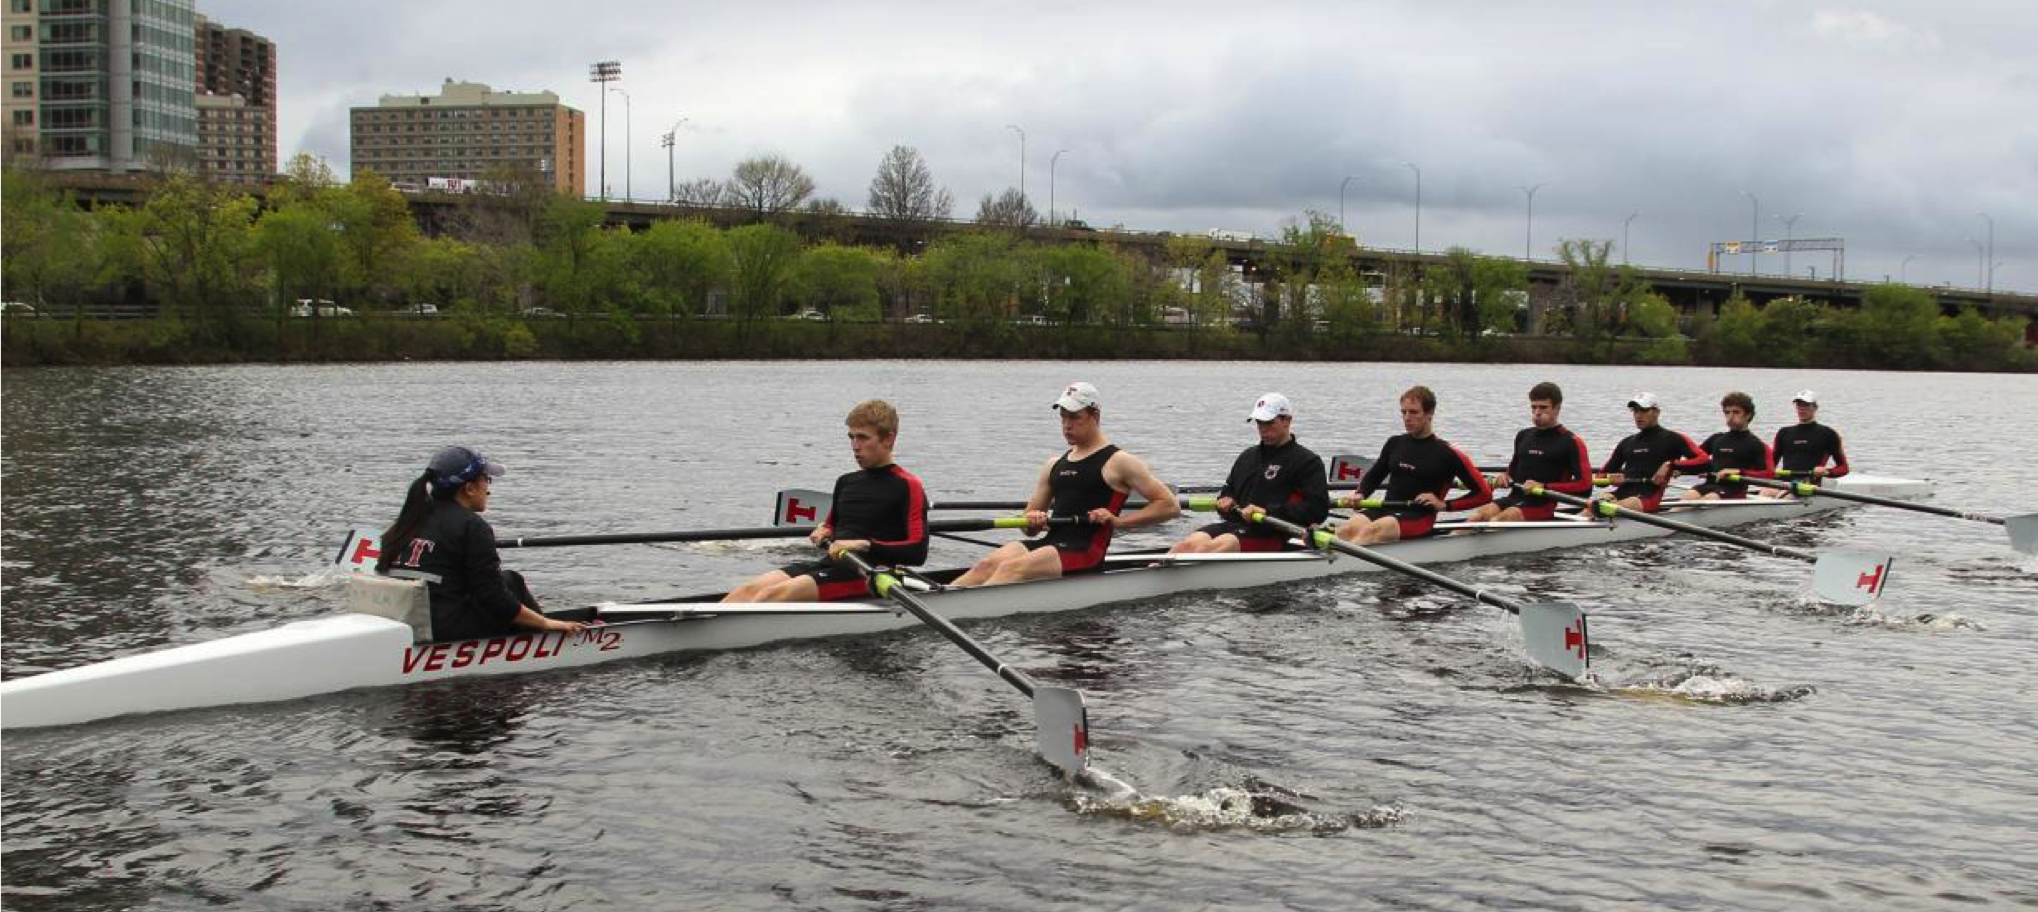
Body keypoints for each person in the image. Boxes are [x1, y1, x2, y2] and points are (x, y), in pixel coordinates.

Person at [951, 382, 1178, 586]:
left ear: (1095, 416)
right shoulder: (1053, 464)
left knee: (1010, 568)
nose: (1067, 425)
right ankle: (942, 604)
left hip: (1085, 551)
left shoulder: (1119, 462)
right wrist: (1032, 522)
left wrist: (1119, 522)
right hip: (1051, 544)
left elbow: (1169, 505)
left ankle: (962, 615)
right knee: (986, 566)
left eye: (1074, 417)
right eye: (1063, 417)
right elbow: (1027, 527)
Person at [724, 400, 928, 603]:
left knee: (770, 596)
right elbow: (830, 526)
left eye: (863, 438)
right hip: (830, 565)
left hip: (870, 575)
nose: (855, 446)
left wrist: (864, 545)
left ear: (888, 439)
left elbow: (917, 551)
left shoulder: (909, 485)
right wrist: (824, 530)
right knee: (746, 591)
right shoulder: (846, 482)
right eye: (851, 437)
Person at [378, 446, 586, 641]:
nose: (488, 489)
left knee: (497, 584)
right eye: (486, 479)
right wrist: (545, 622)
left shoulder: (409, 519)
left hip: (407, 619)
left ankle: (536, 625)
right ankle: (546, 639)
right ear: (469, 488)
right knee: (512, 581)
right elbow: (493, 598)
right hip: (446, 629)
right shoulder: (472, 526)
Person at [1169, 393, 1330, 554]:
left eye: (1269, 423)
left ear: (1286, 420)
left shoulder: (1307, 461)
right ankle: (1155, 570)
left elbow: (1317, 509)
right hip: (1238, 526)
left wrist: (1267, 512)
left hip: (1275, 532)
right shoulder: (1247, 456)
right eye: (1259, 423)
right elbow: (1228, 491)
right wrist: (1225, 500)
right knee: (1185, 545)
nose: (1263, 429)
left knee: (1211, 547)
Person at [1336, 385, 1492, 544]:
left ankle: (1340, 563)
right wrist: (1361, 493)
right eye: (1403, 412)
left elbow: (1484, 494)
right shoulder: (1394, 443)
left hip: (1419, 517)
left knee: (1372, 530)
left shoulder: (1448, 453)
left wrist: (1444, 505)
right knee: (1345, 529)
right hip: (1387, 508)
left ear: (1429, 414)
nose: (1407, 418)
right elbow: (1374, 476)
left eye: (1413, 412)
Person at [1467, 381, 1593, 523]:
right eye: (1534, 407)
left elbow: (1585, 486)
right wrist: (1505, 477)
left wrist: (1544, 486)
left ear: (1557, 408)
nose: (1537, 412)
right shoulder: (1523, 436)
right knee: (1477, 515)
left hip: (1541, 505)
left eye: (1543, 407)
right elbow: (1512, 473)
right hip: (1513, 498)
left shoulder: (1572, 442)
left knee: (1501, 519)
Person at [1599, 393, 1709, 513]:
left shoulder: (1674, 439)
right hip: (1620, 495)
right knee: (1600, 501)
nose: (1638, 415)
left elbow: (1705, 462)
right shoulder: (1626, 443)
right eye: (1635, 411)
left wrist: (1671, 465)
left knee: (1622, 504)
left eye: (1644, 411)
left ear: (1657, 412)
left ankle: (1602, 513)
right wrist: (1609, 479)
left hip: (1647, 498)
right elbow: (1601, 476)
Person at [1680, 391, 1774, 502]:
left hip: (1734, 491)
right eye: (1727, 412)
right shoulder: (1716, 439)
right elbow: (1696, 459)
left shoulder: (1756, 444)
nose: (1730, 417)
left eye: (1736, 412)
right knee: (1688, 495)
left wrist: (1739, 472)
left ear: (1748, 415)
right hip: (1710, 485)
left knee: (1711, 498)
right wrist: (1680, 467)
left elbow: (1768, 474)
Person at [1757, 389, 1851, 498]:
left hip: (1809, 484)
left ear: (1815, 407)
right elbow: (1771, 465)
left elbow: (1844, 468)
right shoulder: (1784, 432)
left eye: (1806, 405)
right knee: (1764, 493)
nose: (1801, 408)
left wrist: (1827, 471)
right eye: (1798, 405)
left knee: (1785, 497)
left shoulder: (1828, 434)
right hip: (1784, 482)